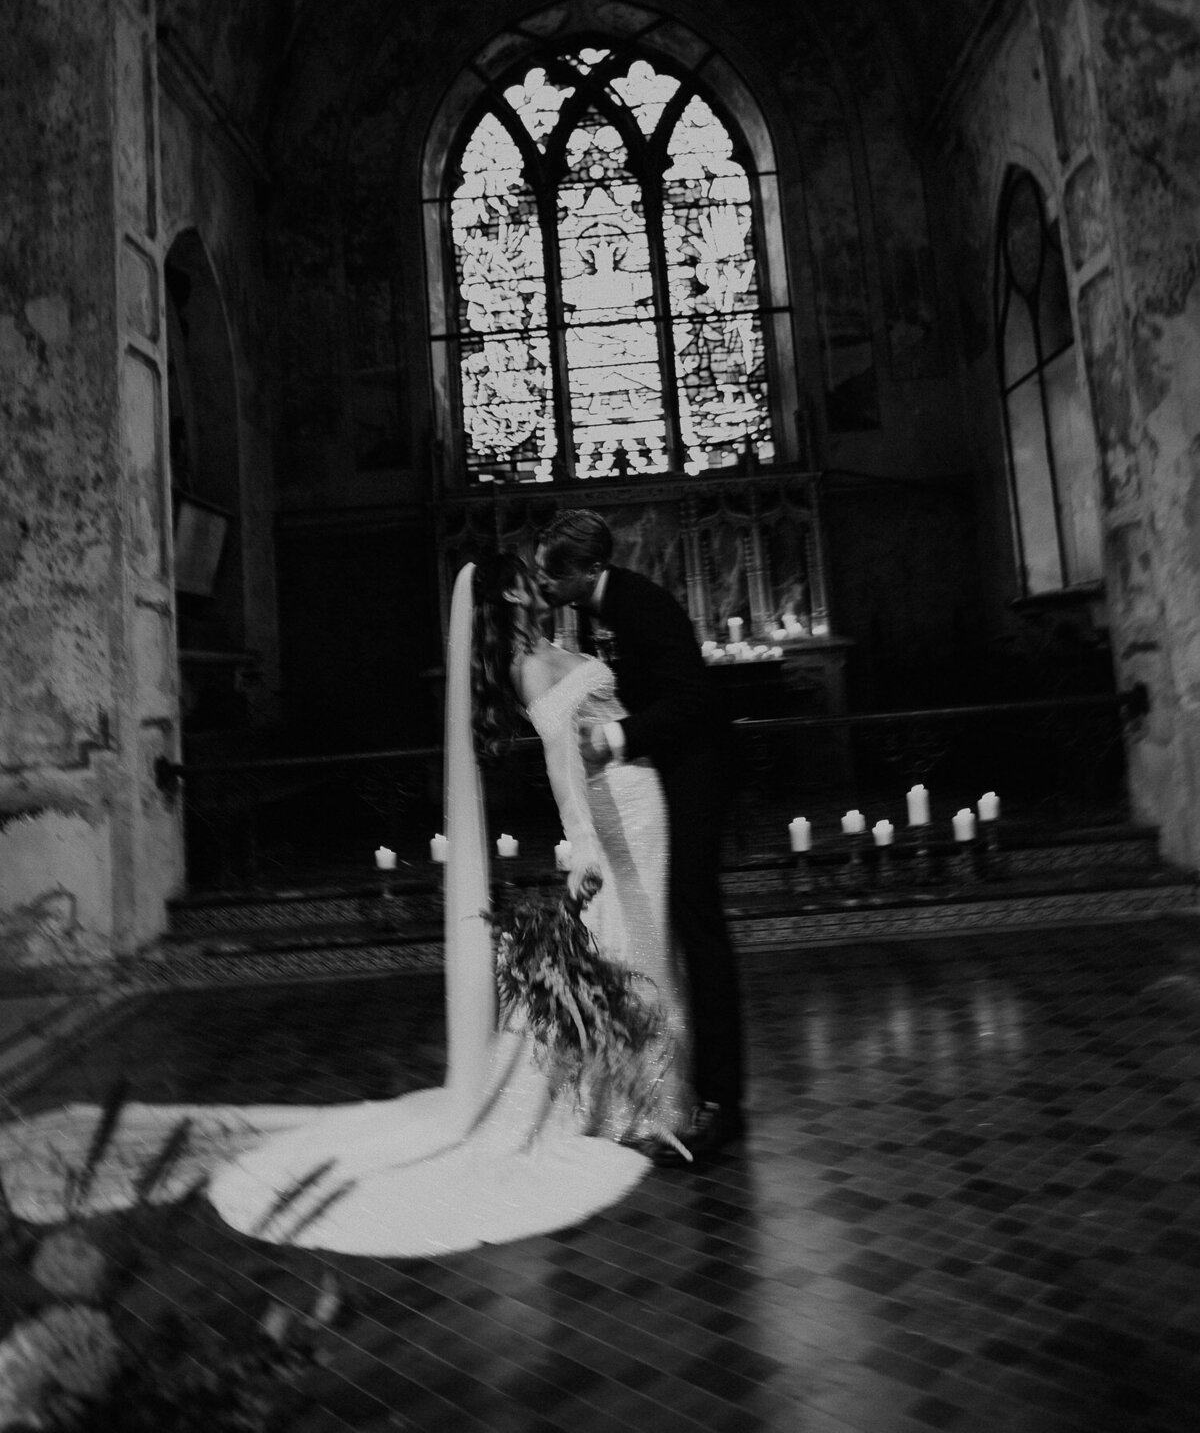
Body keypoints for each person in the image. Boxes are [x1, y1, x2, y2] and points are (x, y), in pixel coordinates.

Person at [0, 553, 687, 1257]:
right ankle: (621, 1098)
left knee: (636, 944)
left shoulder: (547, 650)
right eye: (525, 582)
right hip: (609, 817)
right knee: (621, 945)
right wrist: (584, 840)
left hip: (634, 804)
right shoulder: (528, 666)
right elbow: (559, 761)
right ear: (509, 595)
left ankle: (633, 1093)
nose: (539, 589)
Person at [535, 508, 745, 1162]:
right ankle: (705, 1090)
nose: (547, 585)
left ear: (589, 570)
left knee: (701, 933)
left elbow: (695, 702)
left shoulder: (639, 604)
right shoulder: (613, 606)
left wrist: (615, 737)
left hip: (696, 785)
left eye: (555, 573)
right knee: (688, 930)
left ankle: (721, 1103)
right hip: (677, 782)